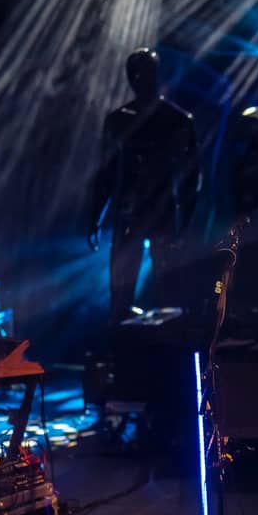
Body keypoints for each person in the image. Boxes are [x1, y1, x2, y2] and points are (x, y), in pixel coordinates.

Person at [89, 48, 199, 323]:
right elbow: (107, 172)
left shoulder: (177, 120)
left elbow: (191, 175)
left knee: (169, 291)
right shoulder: (118, 121)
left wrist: (185, 221)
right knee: (122, 294)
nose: (141, 79)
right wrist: (95, 217)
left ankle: (169, 338)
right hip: (131, 211)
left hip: (162, 212)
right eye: (136, 74)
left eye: (146, 72)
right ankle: (125, 337)